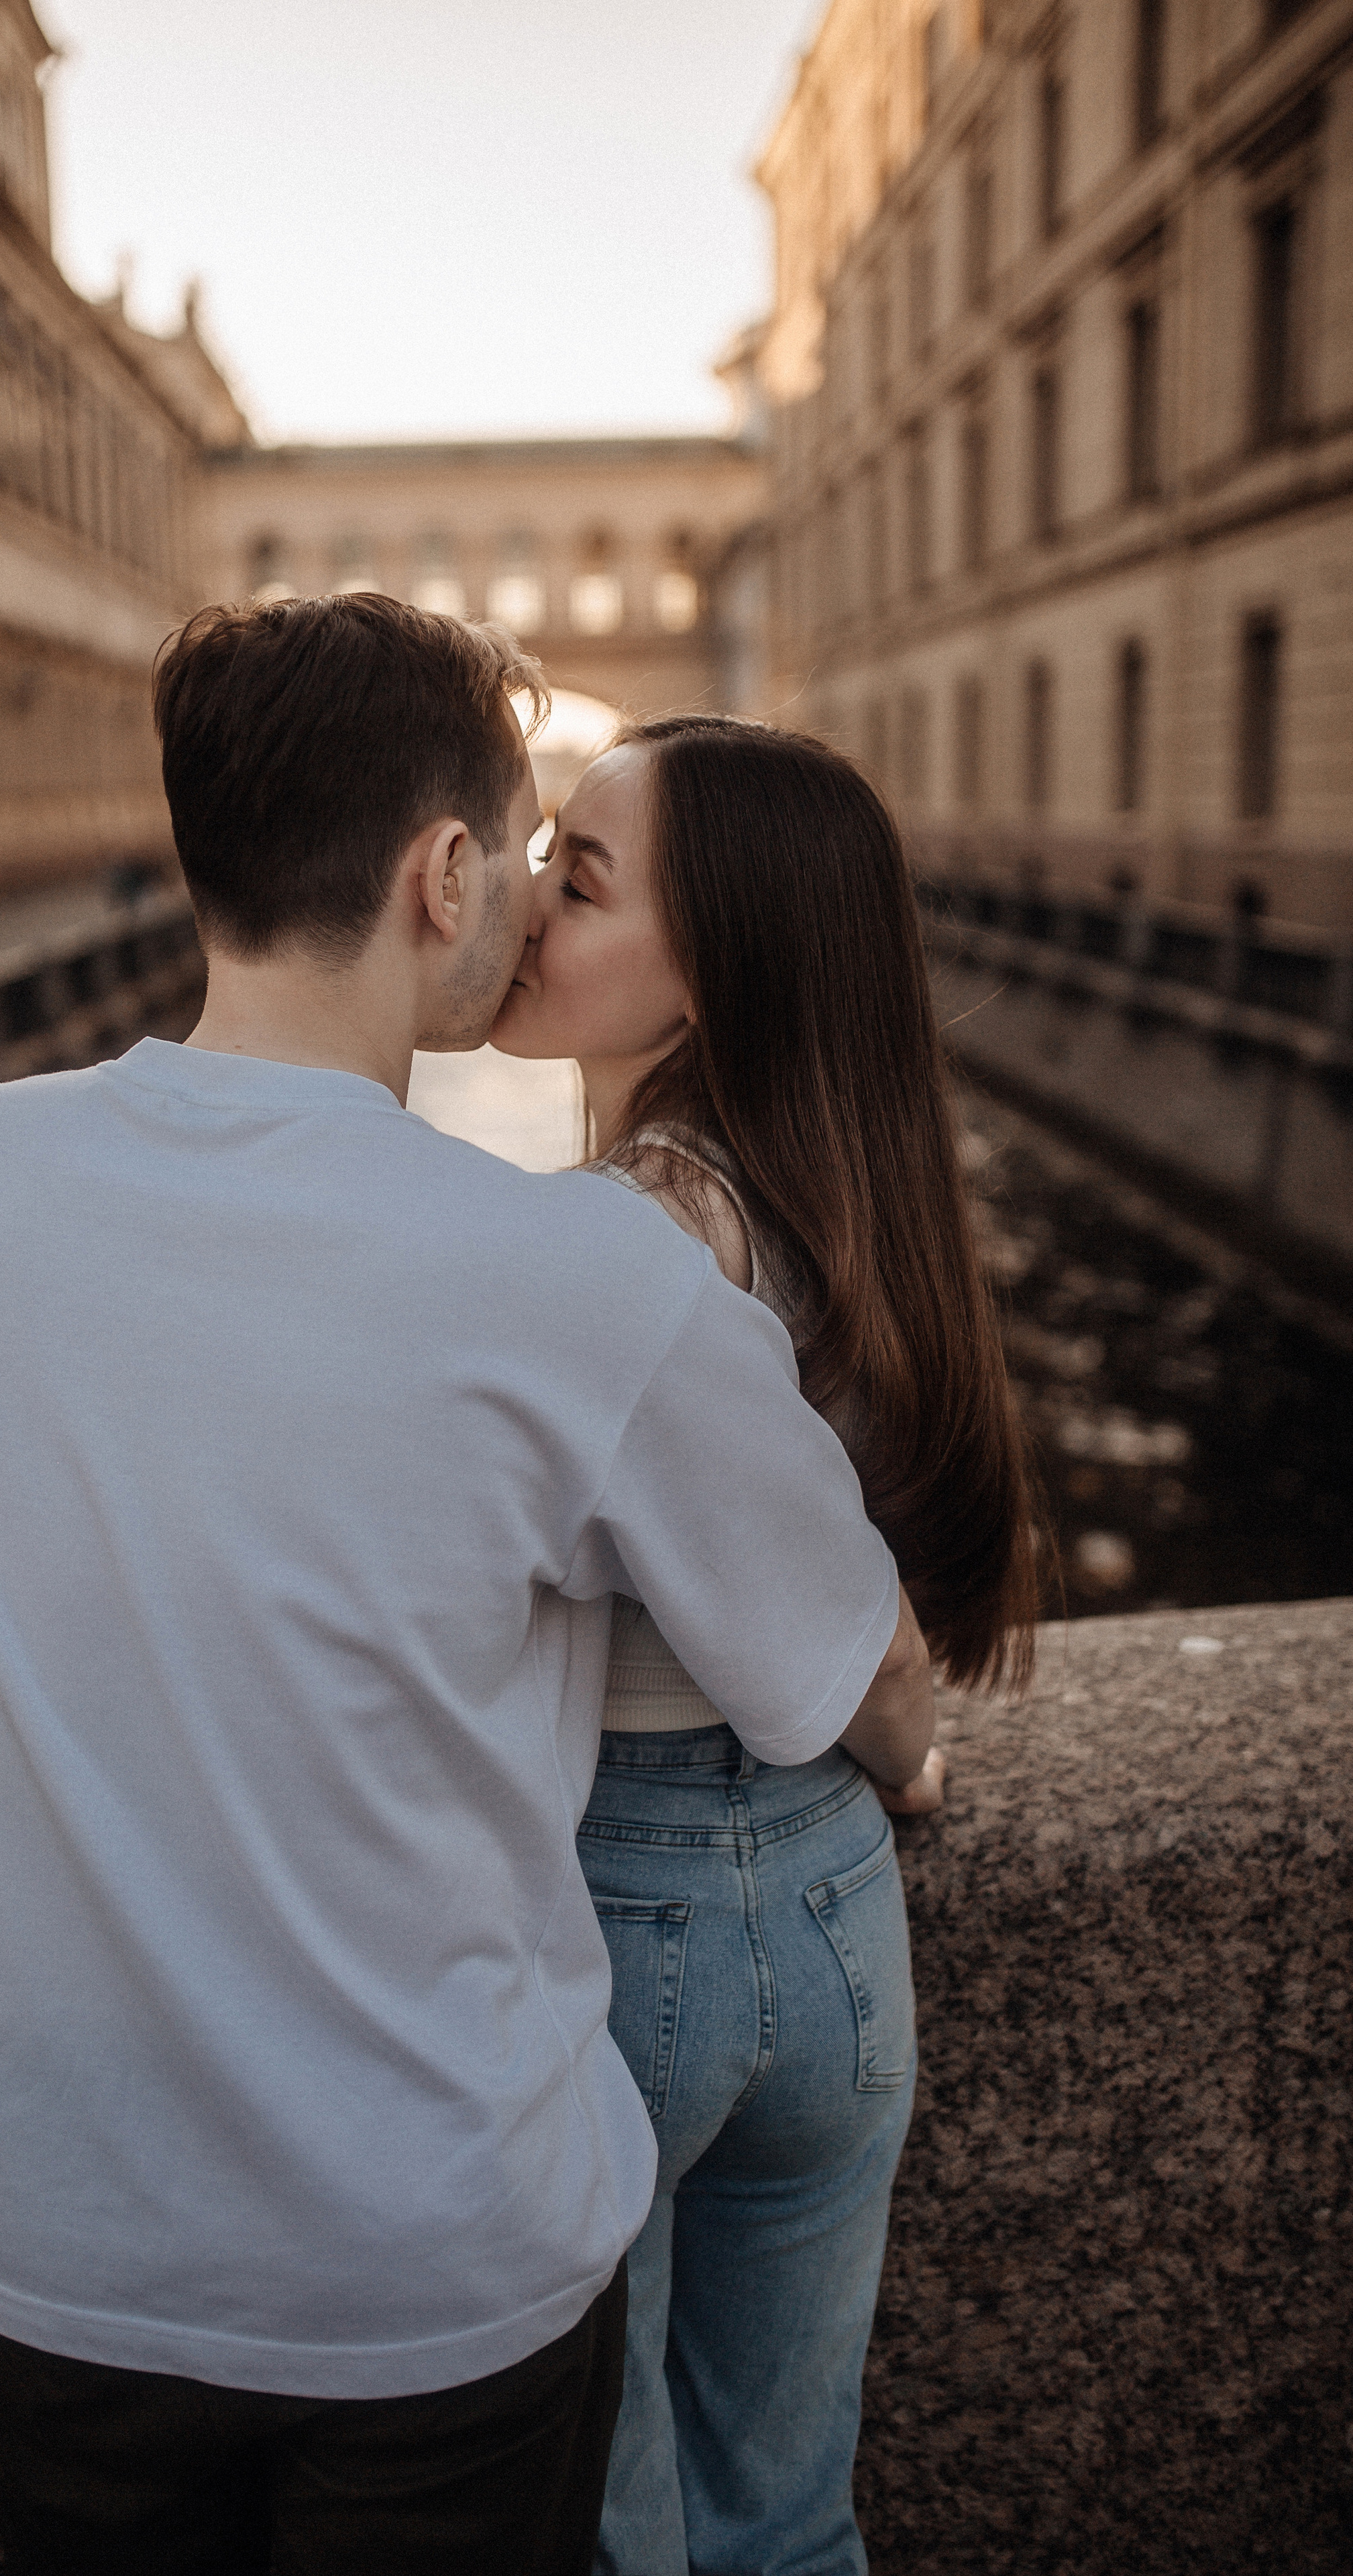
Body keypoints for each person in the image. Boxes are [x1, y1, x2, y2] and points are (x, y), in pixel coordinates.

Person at [0, 599, 936, 2576]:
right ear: (445, 873)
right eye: (531, 853)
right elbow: (860, 1679)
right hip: (440, 2282)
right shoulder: (582, 1281)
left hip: (54, 2255)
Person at [494, 714, 1037, 2576]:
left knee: (623, 2531)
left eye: (577, 878)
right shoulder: (837, 1193)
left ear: (713, 960)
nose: (524, 905)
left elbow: (842, 1626)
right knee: (795, 2517)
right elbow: (878, 1648)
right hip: (829, 1905)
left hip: (630, 1909)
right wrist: (902, 1768)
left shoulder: (632, 1235)